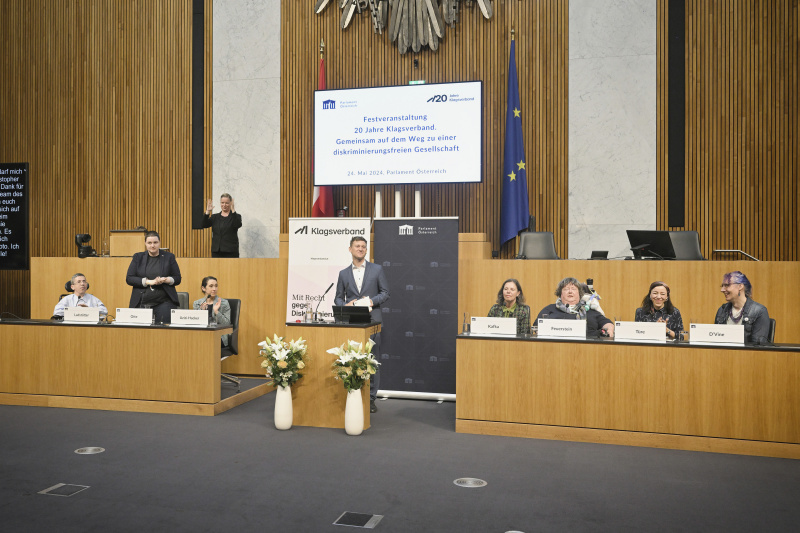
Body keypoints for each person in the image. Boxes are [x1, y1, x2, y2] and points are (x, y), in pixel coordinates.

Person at [334, 235, 390, 413]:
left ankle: (371, 398)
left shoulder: (377, 270)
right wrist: (345, 305)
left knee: (371, 360)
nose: (360, 249)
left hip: (372, 321)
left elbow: (385, 292)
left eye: (363, 247)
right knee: (351, 358)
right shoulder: (343, 273)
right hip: (351, 322)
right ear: (350, 249)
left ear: (366, 250)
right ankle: (352, 391)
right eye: (357, 246)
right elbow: (338, 297)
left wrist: (370, 302)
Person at [126, 231, 182, 324]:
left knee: (163, 332)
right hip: (141, 301)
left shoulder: (169, 257)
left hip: (164, 302)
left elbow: (177, 278)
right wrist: (148, 282)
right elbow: (129, 278)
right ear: (145, 243)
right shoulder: (138, 257)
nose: (152, 245)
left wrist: (166, 280)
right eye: (149, 243)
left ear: (159, 243)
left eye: (155, 242)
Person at [536, 277, 615, 337]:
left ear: (579, 294)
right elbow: (536, 327)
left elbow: (607, 323)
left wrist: (609, 329)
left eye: (573, 289)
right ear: (561, 294)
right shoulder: (550, 309)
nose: (570, 291)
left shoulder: (590, 311)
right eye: (566, 289)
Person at [714, 271, 770, 344]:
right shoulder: (722, 310)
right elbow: (715, 341)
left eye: (727, 285)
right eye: (722, 286)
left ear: (740, 286)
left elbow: (758, 347)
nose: (722, 290)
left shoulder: (759, 311)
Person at [193, 276, 231, 346]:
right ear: (203, 288)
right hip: (202, 335)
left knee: (206, 343)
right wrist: (201, 312)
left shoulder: (224, 303)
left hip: (219, 336)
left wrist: (217, 312)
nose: (214, 289)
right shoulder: (197, 303)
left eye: (216, 286)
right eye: (211, 286)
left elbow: (227, 323)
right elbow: (195, 324)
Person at [203, 193, 242, 258]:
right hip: (217, 252)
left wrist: (233, 210)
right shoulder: (215, 217)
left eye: (227, 203)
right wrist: (207, 211)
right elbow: (203, 224)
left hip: (231, 252)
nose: (224, 205)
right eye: (222, 202)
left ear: (230, 203)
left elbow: (237, 224)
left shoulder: (236, 216)